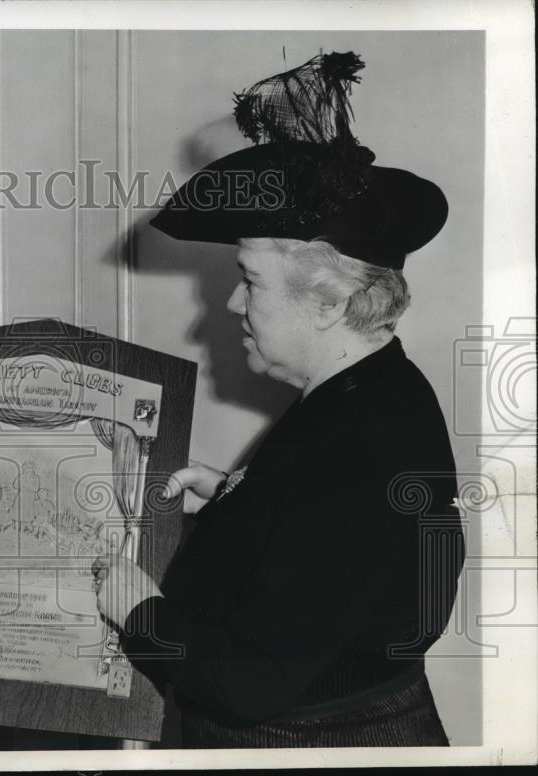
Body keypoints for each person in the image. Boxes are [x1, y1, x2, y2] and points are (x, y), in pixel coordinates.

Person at [93, 52, 465, 747]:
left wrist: (136, 609)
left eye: (251, 280)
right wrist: (240, 499)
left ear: (331, 303)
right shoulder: (377, 392)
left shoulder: (358, 447)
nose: (232, 301)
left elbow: (244, 683)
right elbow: (329, 557)